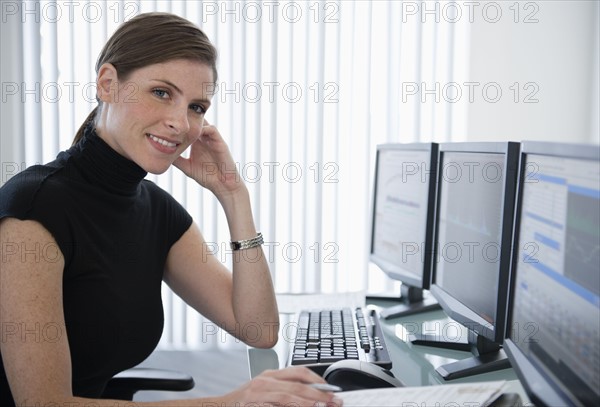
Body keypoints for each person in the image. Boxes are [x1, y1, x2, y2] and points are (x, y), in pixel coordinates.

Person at [0, 12, 341, 407]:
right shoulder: (34, 211)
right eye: (162, 92)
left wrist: (235, 197)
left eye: (196, 107)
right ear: (108, 84)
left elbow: (259, 329)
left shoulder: (156, 210)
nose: (180, 123)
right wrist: (228, 402)